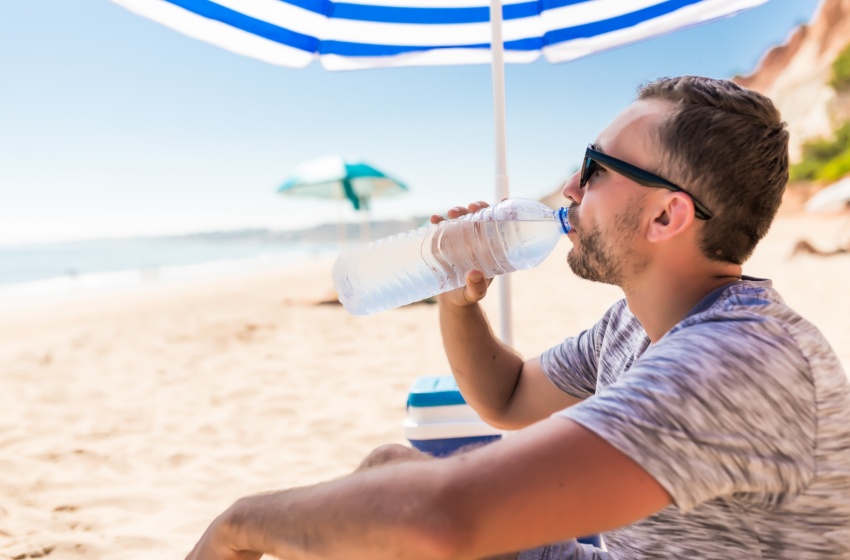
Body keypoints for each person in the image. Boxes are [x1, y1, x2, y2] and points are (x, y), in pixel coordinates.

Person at [186, 76, 850, 560]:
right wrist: (456, 295)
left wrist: (241, 523)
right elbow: (505, 398)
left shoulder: (739, 361)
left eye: (595, 168)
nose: (570, 187)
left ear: (666, 215)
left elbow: (446, 520)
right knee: (390, 468)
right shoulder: (632, 325)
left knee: (409, 519)